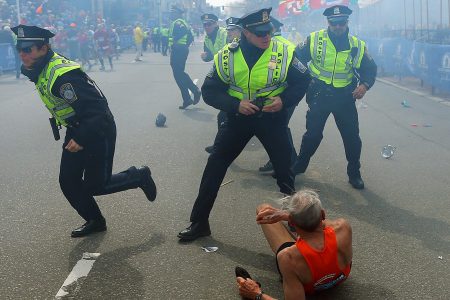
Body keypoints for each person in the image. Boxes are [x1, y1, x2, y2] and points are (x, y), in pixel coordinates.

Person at [177, 8, 311, 241]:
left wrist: (284, 101)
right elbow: (209, 91)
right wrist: (235, 104)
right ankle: (199, 223)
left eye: (268, 31)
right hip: (238, 120)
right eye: (260, 33)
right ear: (245, 33)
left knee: (285, 174)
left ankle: (295, 224)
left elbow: (303, 80)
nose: (266, 36)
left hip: (272, 119)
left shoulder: (284, 51)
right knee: (214, 168)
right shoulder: (227, 55)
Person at [11, 25, 157, 238]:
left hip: (97, 129)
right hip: (78, 126)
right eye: (19, 49)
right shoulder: (40, 65)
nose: (22, 54)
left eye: (28, 49)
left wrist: (81, 137)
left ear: (44, 48)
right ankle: (95, 220)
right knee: (68, 181)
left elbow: (98, 110)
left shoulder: (63, 76)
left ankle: (139, 176)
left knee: (97, 185)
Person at [291, 5, 377, 189]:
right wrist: (305, 76)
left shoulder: (357, 45)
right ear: (328, 22)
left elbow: (370, 69)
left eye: (341, 23)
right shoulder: (314, 39)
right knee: (312, 135)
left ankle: (354, 173)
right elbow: (296, 58)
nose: (338, 26)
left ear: (347, 22)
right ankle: (298, 166)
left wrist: (364, 85)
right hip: (319, 94)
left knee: (352, 137)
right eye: (334, 23)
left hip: (344, 97)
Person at [236, 189, 352, 300]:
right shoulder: (343, 227)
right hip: (340, 277)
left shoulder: (288, 257)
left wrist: (256, 294)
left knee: (263, 208)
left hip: (310, 286)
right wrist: (289, 216)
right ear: (322, 214)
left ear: (291, 222)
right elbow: (322, 224)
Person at [259, 17, 298, 174]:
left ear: (272, 30)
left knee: (277, 129)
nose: (262, 35)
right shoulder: (287, 44)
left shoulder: (277, 47)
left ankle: (286, 162)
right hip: (287, 95)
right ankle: (283, 160)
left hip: (282, 96)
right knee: (279, 128)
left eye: (265, 31)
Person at [202, 14, 233, 154]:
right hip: (221, 74)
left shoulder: (225, 34)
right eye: (205, 25)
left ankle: (220, 147)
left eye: (209, 24)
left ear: (215, 24)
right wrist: (205, 56)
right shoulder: (207, 38)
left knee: (224, 114)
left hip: (233, 74)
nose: (207, 27)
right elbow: (209, 55)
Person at [168, 6, 201, 109]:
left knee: (179, 74)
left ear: (178, 14)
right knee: (178, 75)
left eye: (173, 12)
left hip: (178, 51)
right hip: (179, 50)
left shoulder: (178, 22)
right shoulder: (181, 22)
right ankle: (187, 99)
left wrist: (176, 43)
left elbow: (184, 32)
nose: (171, 14)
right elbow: (190, 37)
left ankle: (195, 91)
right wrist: (184, 46)